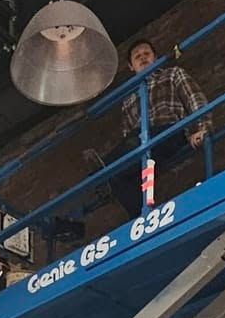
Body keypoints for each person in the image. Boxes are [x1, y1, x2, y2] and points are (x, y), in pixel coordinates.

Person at [88, 40, 211, 219]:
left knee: (118, 160)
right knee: (121, 172)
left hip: (171, 133)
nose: (143, 58)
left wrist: (202, 129)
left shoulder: (172, 74)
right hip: (143, 147)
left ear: (155, 57)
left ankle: (102, 172)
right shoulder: (129, 99)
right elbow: (126, 136)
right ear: (131, 66)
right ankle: (139, 217)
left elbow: (196, 101)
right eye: (137, 57)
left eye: (147, 54)